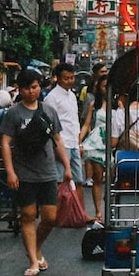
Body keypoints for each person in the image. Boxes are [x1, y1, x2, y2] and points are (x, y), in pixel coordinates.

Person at [0, 69, 73, 276]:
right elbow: (5, 143)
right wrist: (10, 172)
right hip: (25, 173)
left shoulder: (49, 111)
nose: (32, 92)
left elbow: (58, 140)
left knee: (50, 217)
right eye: (27, 88)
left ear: (39, 87)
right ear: (19, 90)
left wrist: (67, 167)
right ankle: (33, 260)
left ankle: (36, 247)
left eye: (35, 87)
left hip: (48, 172)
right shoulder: (13, 114)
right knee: (28, 215)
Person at [42, 63, 85, 203]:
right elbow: (49, 124)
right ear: (58, 78)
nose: (70, 81)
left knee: (78, 179)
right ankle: (58, 213)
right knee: (60, 180)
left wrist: (79, 143)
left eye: (72, 78)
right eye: (66, 78)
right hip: (61, 143)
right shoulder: (51, 98)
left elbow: (75, 121)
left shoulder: (72, 96)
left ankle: (81, 213)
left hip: (73, 143)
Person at [79, 76, 110, 225]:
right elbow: (86, 124)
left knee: (112, 180)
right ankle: (98, 212)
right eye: (103, 86)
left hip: (112, 142)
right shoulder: (93, 104)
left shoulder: (118, 105)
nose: (105, 89)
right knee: (98, 179)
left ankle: (110, 209)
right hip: (96, 142)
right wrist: (79, 141)